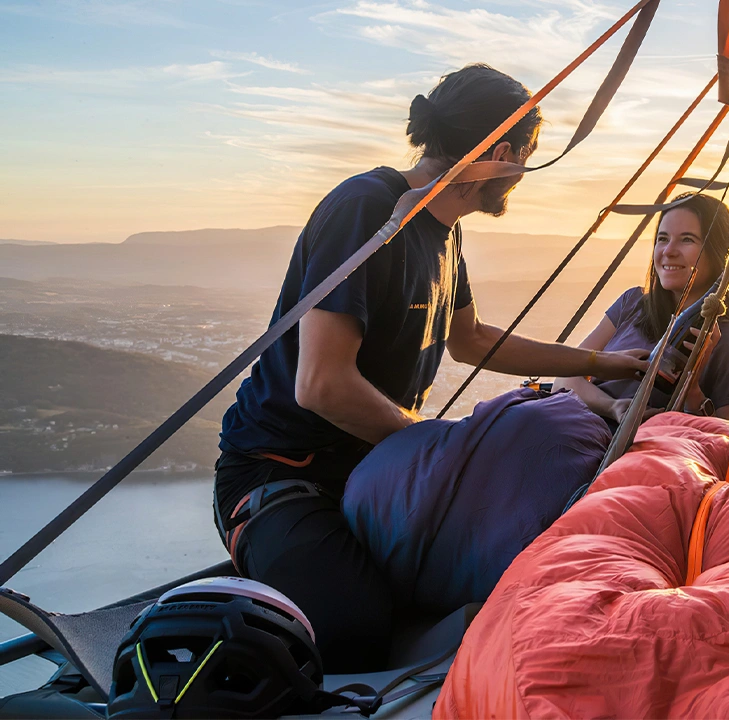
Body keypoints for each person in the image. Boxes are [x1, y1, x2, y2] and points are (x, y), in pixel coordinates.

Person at [212, 64, 647, 672]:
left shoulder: (442, 231)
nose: (523, 176)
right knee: (353, 626)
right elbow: (321, 384)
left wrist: (605, 361)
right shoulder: (368, 209)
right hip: (280, 475)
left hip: (372, 472)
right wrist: (435, 450)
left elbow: (472, 340)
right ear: (502, 152)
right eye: (526, 158)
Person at [556, 193, 729, 425]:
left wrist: (691, 392)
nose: (668, 251)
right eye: (662, 238)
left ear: (719, 254)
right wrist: (614, 407)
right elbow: (564, 378)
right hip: (569, 420)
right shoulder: (633, 303)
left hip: (607, 451)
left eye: (687, 240)